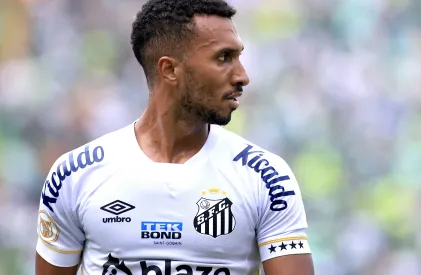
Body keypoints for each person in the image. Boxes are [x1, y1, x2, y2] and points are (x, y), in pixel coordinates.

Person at [35, 0, 315, 274]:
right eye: (223, 58)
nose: (242, 76)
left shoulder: (267, 177)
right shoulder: (74, 175)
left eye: (239, 57)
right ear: (169, 69)